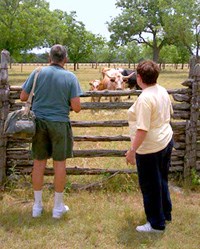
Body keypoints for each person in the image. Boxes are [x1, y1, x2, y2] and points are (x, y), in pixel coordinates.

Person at [20, 44, 82, 219]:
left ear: (49, 58)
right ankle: (57, 207)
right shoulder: (70, 77)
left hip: (38, 122)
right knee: (59, 164)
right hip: (60, 123)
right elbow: (77, 107)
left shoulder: (37, 72)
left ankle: (37, 207)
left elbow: (23, 97)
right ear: (65, 59)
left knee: (39, 163)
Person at [125, 60, 174, 233]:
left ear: (139, 77)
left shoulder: (145, 98)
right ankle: (165, 213)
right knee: (161, 180)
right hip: (165, 140)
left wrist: (132, 151)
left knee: (150, 186)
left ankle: (156, 224)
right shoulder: (161, 90)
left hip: (150, 148)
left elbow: (142, 129)